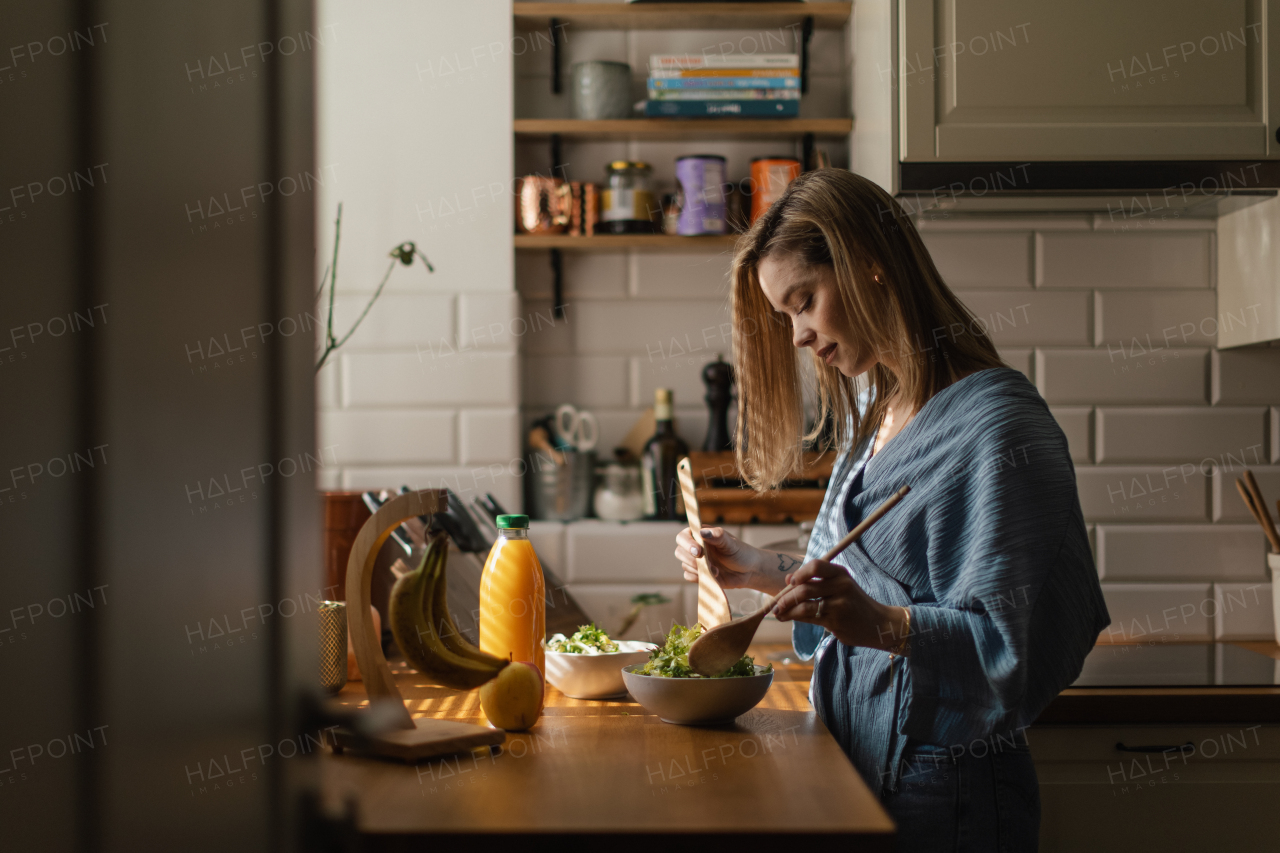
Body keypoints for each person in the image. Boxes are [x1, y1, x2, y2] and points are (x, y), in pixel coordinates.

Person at [674, 169, 1109, 851]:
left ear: (871, 265)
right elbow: (875, 581)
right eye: (785, 315)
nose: (797, 337)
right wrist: (762, 569)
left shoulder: (1000, 430)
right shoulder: (878, 411)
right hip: (863, 763)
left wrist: (879, 624)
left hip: (948, 789)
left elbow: (1011, 651)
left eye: (805, 301)